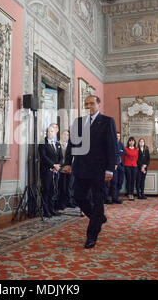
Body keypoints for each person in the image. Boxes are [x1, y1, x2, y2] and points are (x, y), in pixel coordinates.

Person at [63, 95, 117, 249]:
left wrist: (110, 169)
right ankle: (98, 217)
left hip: (99, 170)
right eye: (86, 104)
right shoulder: (78, 122)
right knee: (78, 197)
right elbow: (71, 144)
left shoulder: (107, 122)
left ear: (98, 104)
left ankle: (91, 236)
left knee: (98, 200)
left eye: (92, 103)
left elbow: (112, 148)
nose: (89, 106)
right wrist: (67, 163)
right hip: (80, 168)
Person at [38, 125, 63, 218]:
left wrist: (58, 166)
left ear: (55, 133)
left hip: (56, 172)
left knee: (54, 191)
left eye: (51, 131)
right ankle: (46, 211)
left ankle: (52, 210)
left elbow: (61, 157)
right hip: (46, 171)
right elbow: (44, 157)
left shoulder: (58, 144)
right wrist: (53, 165)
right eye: (48, 131)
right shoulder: (42, 143)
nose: (49, 133)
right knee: (46, 190)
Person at [56, 130, 76, 209]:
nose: (66, 136)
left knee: (69, 186)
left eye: (68, 135)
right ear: (61, 135)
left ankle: (69, 201)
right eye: (64, 134)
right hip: (61, 168)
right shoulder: (58, 144)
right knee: (62, 186)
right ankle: (61, 203)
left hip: (70, 167)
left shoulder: (70, 145)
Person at [106, 131, 124, 204]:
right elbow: (114, 154)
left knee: (120, 181)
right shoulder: (111, 144)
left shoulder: (121, 144)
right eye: (116, 136)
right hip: (114, 166)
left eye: (119, 136)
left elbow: (124, 152)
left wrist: (118, 152)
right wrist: (119, 152)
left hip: (121, 165)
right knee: (114, 182)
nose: (117, 137)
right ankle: (113, 198)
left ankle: (115, 196)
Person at [123, 136, 138, 201]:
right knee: (129, 179)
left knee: (133, 180)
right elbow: (123, 158)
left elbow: (137, 158)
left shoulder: (136, 149)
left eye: (132, 141)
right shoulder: (125, 149)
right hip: (127, 165)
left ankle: (132, 193)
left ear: (134, 142)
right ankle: (129, 193)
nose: (131, 142)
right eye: (130, 141)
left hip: (134, 166)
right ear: (128, 142)